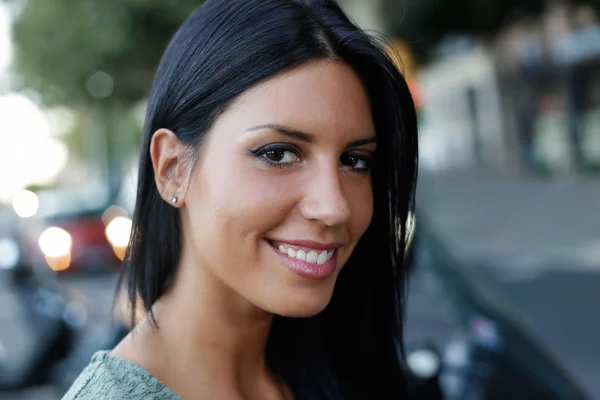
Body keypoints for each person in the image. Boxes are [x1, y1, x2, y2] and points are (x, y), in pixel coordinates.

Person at [63, 0, 418, 399]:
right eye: (278, 153)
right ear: (172, 169)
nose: (334, 206)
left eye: (355, 160)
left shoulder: (344, 363)